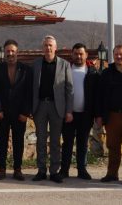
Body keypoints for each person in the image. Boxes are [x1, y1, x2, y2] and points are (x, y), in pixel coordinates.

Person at [31, 35, 72, 183]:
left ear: (55, 48)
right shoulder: (35, 64)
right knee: (40, 140)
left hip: (57, 107)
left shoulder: (65, 65)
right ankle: (41, 170)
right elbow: (31, 88)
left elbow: (69, 89)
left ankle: (54, 171)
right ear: (42, 48)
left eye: (50, 45)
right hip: (40, 106)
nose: (48, 48)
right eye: (46, 45)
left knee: (55, 141)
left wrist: (69, 111)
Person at [96, 44, 122, 185]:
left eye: (121, 54)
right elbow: (100, 96)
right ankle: (112, 174)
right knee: (112, 146)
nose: (119, 57)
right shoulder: (107, 73)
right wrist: (100, 115)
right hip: (112, 115)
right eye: (116, 54)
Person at [0, 39, 33, 181]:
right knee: (2, 142)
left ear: (17, 52)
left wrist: (25, 113)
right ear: (4, 52)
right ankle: (1, 169)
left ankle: (17, 169)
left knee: (18, 142)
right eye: (8, 51)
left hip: (19, 113)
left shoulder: (26, 69)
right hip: (2, 113)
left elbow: (29, 93)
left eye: (13, 51)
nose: (10, 54)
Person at [60, 43, 99, 180]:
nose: (78, 56)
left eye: (81, 54)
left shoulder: (92, 72)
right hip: (69, 114)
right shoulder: (66, 70)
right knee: (67, 143)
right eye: (76, 53)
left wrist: (96, 114)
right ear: (72, 55)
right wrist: (65, 111)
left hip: (86, 114)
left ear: (86, 55)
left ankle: (82, 170)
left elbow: (96, 95)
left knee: (83, 143)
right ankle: (64, 170)